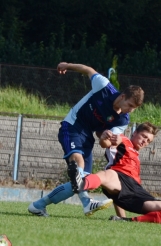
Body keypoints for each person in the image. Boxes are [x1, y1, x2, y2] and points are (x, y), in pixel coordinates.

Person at [28, 62, 144, 217]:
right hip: (72, 125)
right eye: (129, 105)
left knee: (83, 181)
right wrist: (67, 65)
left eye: (134, 109)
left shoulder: (123, 120)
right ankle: (87, 203)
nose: (130, 110)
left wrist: (107, 139)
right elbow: (88, 70)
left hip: (87, 135)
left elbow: (105, 144)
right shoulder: (104, 87)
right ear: (122, 96)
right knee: (79, 164)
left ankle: (38, 205)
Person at [69, 122, 161, 224]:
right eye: (144, 136)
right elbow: (105, 143)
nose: (145, 141)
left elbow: (119, 197)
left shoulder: (136, 157)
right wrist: (104, 138)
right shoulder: (123, 140)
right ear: (135, 132)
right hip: (119, 177)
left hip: (136, 191)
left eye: (148, 141)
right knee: (107, 174)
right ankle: (81, 183)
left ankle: (127, 221)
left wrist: (121, 217)